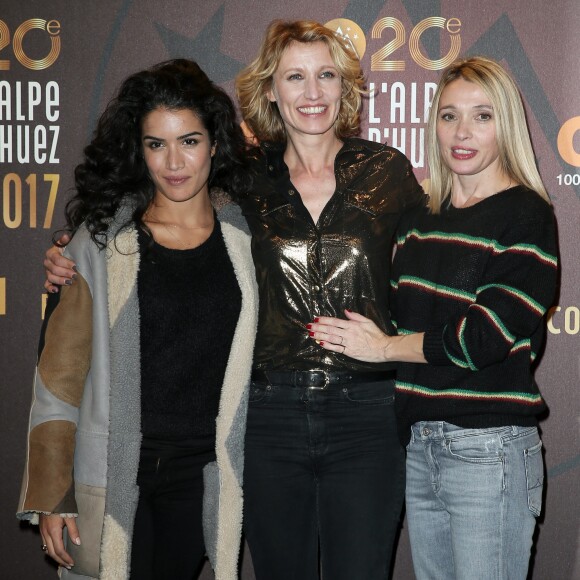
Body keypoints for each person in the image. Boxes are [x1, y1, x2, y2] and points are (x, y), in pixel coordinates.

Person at [43, 20, 424, 580]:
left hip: (364, 413)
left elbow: (430, 267)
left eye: (325, 76)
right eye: (295, 77)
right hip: (269, 417)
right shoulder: (244, 178)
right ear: (270, 90)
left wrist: (397, 343)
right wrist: (72, 251)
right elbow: (163, 192)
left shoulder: (388, 171)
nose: (312, 93)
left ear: (345, 87)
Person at [309, 56, 558, 580]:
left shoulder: (526, 214)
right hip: (421, 444)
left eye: (482, 116)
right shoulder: (421, 218)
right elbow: (390, 311)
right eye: (449, 116)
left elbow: (481, 339)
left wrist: (382, 348)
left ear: (506, 124)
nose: (462, 132)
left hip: (489, 450)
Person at [18, 59, 258, 580]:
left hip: (203, 476)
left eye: (189, 141)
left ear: (214, 144)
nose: (174, 161)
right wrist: (52, 496)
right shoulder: (100, 244)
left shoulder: (247, 240)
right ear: (139, 149)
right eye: (156, 144)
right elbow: (57, 382)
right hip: (115, 471)